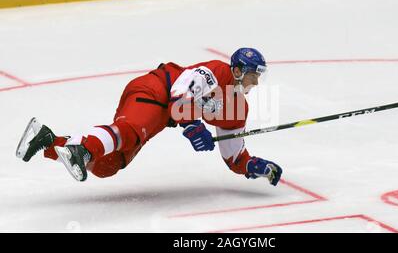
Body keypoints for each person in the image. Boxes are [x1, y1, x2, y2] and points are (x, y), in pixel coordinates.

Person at [16, 48, 283, 186]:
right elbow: (180, 92)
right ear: (237, 70)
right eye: (252, 75)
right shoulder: (215, 72)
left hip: (163, 113)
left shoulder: (238, 109)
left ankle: (48, 141)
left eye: (258, 76)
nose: (256, 83)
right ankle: (84, 149)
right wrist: (192, 127)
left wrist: (254, 167)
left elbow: (234, 156)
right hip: (155, 90)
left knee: (109, 165)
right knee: (129, 131)